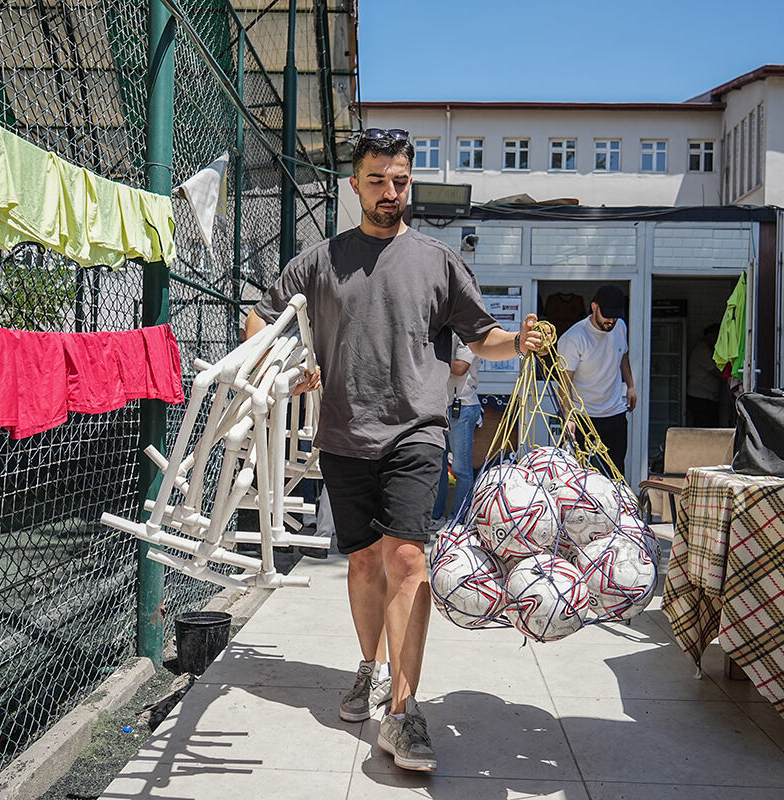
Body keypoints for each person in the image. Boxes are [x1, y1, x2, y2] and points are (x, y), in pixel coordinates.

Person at [244, 128, 542, 772]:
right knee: (362, 563)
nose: (389, 191)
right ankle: (370, 667)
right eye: (377, 180)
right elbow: (261, 318)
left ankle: (404, 713)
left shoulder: (437, 261)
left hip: (416, 430)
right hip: (344, 432)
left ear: (411, 184)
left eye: (400, 180)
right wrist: (287, 364)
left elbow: (481, 336)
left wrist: (517, 343)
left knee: (407, 558)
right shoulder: (321, 261)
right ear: (355, 185)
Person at [556, 284, 637, 477]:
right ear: (594, 307)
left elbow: (623, 355)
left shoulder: (620, 327)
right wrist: (568, 416)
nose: (611, 321)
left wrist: (631, 386)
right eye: (607, 315)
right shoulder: (574, 338)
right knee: (578, 475)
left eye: (615, 316)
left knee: (615, 473)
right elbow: (564, 382)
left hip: (614, 412)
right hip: (582, 415)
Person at [432, 332, 481, 525]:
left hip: (462, 406)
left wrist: (430, 360)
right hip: (439, 405)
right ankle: (436, 517)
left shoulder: (465, 331)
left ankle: (458, 520)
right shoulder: (439, 331)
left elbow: (461, 367)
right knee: (437, 467)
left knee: (461, 469)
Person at [687, 323, 723, 427]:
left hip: (706, 396)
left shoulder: (706, 349)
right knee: (704, 428)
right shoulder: (702, 350)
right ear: (711, 335)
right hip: (701, 397)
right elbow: (715, 371)